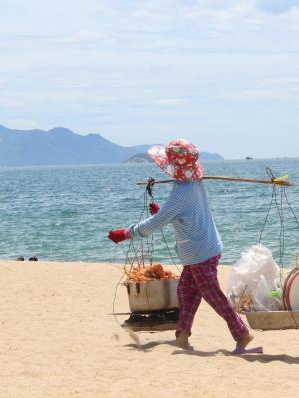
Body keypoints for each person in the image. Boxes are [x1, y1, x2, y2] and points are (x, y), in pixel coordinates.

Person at [108, 139, 254, 352]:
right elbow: (185, 214)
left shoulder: (181, 192)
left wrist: (126, 233)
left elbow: (157, 223)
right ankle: (182, 337)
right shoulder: (192, 184)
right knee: (186, 294)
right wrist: (164, 211)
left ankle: (242, 334)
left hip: (200, 252)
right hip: (201, 249)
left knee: (212, 294)